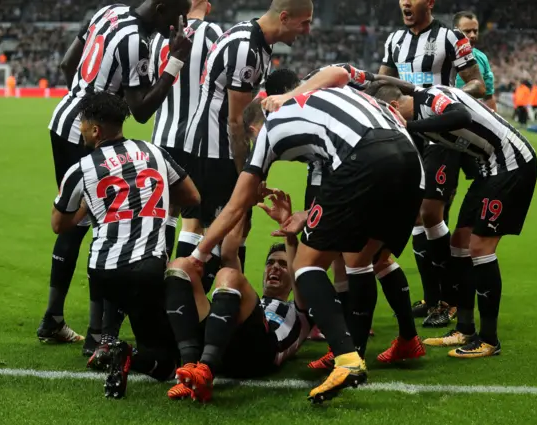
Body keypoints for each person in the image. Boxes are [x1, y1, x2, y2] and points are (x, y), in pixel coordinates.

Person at [185, 73, 425, 403]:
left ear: (255, 127)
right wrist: (303, 217)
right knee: (361, 260)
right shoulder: (335, 101)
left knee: (307, 266)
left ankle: (347, 358)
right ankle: (355, 352)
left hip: (365, 155)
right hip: (411, 161)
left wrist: (199, 254)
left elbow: (235, 204)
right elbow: (340, 74)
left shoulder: (269, 126)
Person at [40, 0, 193, 355]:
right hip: (94, 132)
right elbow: (141, 111)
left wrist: (87, 108)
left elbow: (67, 64)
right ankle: (99, 335)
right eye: (176, 14)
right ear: (160, 7)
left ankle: (53, 318)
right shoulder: (136, 40)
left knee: (74, 221)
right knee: (108, 225)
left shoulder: (108, 11)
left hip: (67, 120)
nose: (178, 24)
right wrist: (176, 60)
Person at [50, 92, 201, 398]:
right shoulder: (154, 151)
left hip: (103, 272)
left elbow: (59, 224)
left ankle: (106, 340)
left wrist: (93, 208)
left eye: (82, 123)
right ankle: (123, 350)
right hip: (147, 268)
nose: (79, 130)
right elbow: (193, 197)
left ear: (95, 130)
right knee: (166, 362)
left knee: (122, 289)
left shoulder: (82, 168)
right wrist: (153, 204)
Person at [372, 79, 537, 358]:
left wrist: (409, 126)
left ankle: (489, 339)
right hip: (489, 169)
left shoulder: (431, 98)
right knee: (459, 244)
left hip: (511, 164)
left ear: (394, 106)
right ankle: (464, 328)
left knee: (480, 248)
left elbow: (462, 116)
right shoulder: (422, 116)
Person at [176, 0, 313, 293]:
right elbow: (235, 120)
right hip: (214, 149)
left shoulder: (254, 40)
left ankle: (214, 305)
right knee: (229, 231)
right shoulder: (247, 47)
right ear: (285, 17)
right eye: (304, 22)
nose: (307, 30)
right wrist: (247, 173)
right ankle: (194, 304)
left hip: (208, 145)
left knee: (212, 227)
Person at [379, 0, 486, 328]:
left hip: (441, 135)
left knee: (430, 212)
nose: (406, 3)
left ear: (430, 2)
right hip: (408, 134)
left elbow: (477, 84)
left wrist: (441, 97)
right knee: (413, 215)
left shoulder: (452, 38)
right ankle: (432, 297)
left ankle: (451, 300)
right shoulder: (394, 40)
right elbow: (383, 84)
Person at [163, 193, 313, 402]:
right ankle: (189, 368)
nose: (275, 268)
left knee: (229, 275)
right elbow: (229, 251)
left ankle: (205, 370)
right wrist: (245, 202)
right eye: (270, 263)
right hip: (225, 344)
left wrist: (287, 231)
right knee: (179, 266)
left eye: (283, 264)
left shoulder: (299, 308)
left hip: (261, 355)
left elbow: (298, 268)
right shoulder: (246, 300)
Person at [150, 0, 223, 260]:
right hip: (195, 139)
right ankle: (178, 286)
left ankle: (160, 273)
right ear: (207, 5)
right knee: (193, 220)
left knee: (167, 211)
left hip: (161, 136)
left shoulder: (159, 37)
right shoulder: (212, 33)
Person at [453, 11, 496, 111]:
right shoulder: (442, 56)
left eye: (475, 31)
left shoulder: (482, 58)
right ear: (455, 31)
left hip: (472, 119)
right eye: (467, 31)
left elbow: (488, 96)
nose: (472, 35)